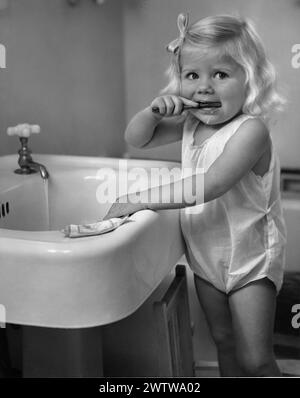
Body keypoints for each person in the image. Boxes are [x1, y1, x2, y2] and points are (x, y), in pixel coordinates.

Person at [104, 13, 286, 377]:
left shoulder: (250, 131)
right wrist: (152, 112)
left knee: (255, 359)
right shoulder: (190, 124)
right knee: (223, 339)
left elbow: (211, 183)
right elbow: (136, 138)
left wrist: (142, 198)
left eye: (220, 74)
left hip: (251, 259)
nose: (204, 87)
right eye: (192, 75)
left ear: (249, 79)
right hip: (205, 254)